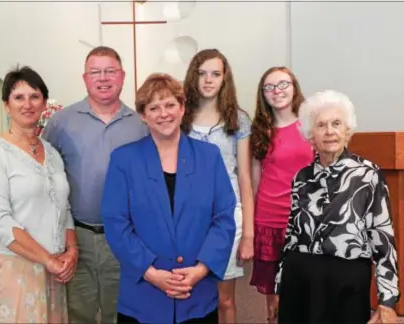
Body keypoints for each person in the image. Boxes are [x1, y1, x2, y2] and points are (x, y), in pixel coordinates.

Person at [100, 73, 236, 324]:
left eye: (170, 105)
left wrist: (200, 270)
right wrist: (151, 273)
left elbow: (224, 218)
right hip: (143, 295)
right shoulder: (124, 160)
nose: (164, 114)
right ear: (143, 115)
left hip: (196, 292)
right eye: (154, 107)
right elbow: (116, 223)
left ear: (182, 108)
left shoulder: (209, 156)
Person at [42, 46, 148, 323]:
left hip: (126, 237)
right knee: (79, 313)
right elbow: (44, 177)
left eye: (110, 71)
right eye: (95, 72)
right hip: (77, 238)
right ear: (85, 78)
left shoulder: (141, 123)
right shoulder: (61, 122)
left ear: (122, 76)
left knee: (123, 312)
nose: (103, 78)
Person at [275, 90, 400, 323]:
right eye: (321, 125)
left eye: (336, 123)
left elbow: (383, 239)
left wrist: (387, 300)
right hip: (299, 280)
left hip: (346, 283)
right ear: (311, 135)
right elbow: (292, 234)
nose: (329, 131)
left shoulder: (367, 174)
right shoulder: (301, 177)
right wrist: (279, 286)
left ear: (347, 131)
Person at [0, 66, 76, 323]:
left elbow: (64, 208)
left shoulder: (51, 153)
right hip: (12, 265)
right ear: (6, 105)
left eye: (34, 96)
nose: (27, 104)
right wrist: (47, 260)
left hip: (53, 267)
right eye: (18, 97)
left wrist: (71, 250)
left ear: (44, 103)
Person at [182, 48, 254, 324]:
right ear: (193, 77)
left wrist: (248, 233)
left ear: (225, 79)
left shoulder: (238, 119)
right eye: (202, 74)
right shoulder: (181, 118)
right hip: (188, 217)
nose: (208, 80)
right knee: (190, 293)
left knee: (225, 300)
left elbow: (245, 178)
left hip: (228, 216)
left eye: (215, 74)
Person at [250, 66, 314, 323]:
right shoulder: (260, 130)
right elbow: (255, 177)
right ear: (263, 94)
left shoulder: (311, 124)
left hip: (306, 218)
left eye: (283, 84)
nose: (277, 91)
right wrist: (251, 225)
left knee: (306, 289)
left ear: (294, 86)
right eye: (269, 87)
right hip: (270, 218)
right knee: (275, 300)